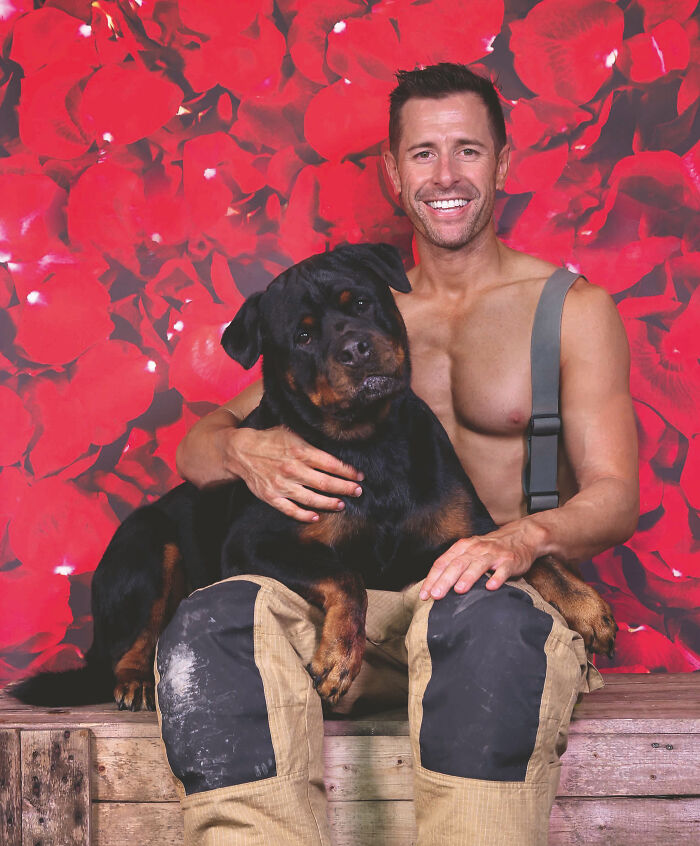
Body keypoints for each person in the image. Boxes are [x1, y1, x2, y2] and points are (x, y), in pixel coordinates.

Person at [157, 63, 639, 846]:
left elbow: (617, 493)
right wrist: (246, 449)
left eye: (468, 151)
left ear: (505, 162)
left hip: (488, 608)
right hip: (356, 613)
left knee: (485, 629)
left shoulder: (571, 311)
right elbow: (195, 447)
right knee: (212, 618)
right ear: (391, 171)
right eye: (423, 154)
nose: (446, 175)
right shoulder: (354, 305)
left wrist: (524, 538)